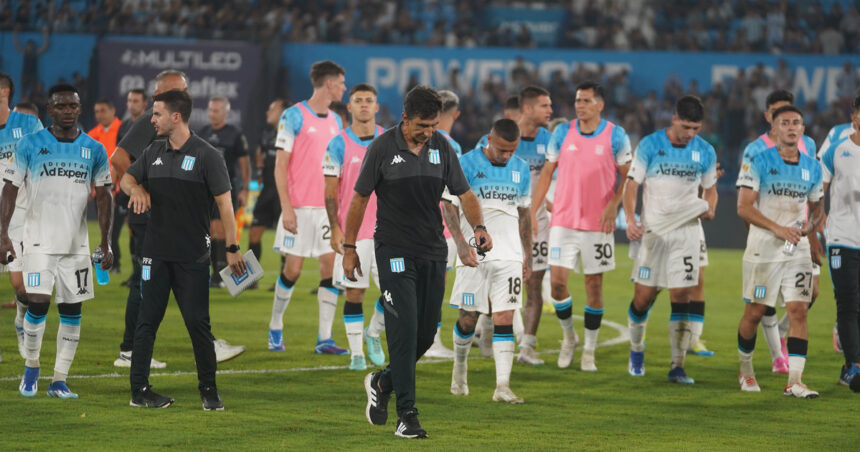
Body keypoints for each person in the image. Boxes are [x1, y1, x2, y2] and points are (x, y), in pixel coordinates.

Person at [353, 86, 491, 438]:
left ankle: (383, 382)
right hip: (394, 251)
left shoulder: (442, 146)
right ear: (405, 118)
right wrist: (348, 247)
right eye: (422, 126)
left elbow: (464, 193)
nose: (428, 132)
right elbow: (359, 198)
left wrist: (478, 227)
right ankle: (407, 416)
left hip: (432, 250)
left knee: (427, 334)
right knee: (404, 329)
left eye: (433, 125)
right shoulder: (381, 148)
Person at [121, 89, 246, 410]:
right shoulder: (152, 152)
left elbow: (226, 206)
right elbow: (124, 180)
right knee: (147, 322)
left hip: (193, 256)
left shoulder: (207, 156)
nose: (152, 120)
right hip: (155, 254)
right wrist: (136, 188)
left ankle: (209, 390)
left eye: (158, 114)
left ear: (176, 117)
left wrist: (232, 248)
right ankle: (139, 391)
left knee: (197, 323)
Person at [0, 83, 113, 399]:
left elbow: (104, 197)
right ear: (50, 110)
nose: (67, 111)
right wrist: (3, 234)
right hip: (37, 244)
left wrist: (106, 242)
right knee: (38, 303)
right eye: (61, 106)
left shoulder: (94, 149)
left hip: (75, 247)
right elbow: (9, 189)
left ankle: (60, 379)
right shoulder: (31, 144)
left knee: (72, 311)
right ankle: (32, 366)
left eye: (73, 106)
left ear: (80, 109)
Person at [533, 81, 632, 371]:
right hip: (564, 219)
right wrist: (533, 210)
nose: (580, 105)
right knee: (558, 284)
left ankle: (589, 350)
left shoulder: (616, 136)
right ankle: (569, 338)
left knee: (594, 285)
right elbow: (546, 172)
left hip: (597, 224)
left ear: (600, 105)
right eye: (578, 100)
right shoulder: (563, 132)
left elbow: (629, 175)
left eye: (587, 101)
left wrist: (616, 203)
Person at [623, 95, 717, 384]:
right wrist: (630, 218)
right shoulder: (650, 145)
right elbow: (631, 185)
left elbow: (710, 188)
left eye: (696, 129)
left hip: (686, 233)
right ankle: (636, 349)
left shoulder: (705, 151)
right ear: (674, 118)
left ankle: (678, 366)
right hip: (654, 233)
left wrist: (711, 206)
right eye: (686, 127)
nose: (691, 134)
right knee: (643, 299)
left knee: (681, 296)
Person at [735, 105, 824, 398]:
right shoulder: (757, 161)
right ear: (774, 129)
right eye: (784, 122)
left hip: (794, 249)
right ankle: (746, 371)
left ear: (802, 129)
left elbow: (817, 206)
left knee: (799, 310)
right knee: (755, 311)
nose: (790, 127)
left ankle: (795, 381)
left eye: (796, 122)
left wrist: (809, 229)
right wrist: (777, 228)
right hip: (764, 250)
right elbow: (744, 207)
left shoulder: (812, 166)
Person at [445, 118, 530, 403]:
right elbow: (448, 205)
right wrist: (459, 244)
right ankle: (460, 367)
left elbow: (524, 213)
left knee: (504, 316)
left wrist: (526, 253)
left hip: (509, 255)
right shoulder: (465, 163)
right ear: (489, 140)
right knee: (468, 320)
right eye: (502, 150)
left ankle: (502, 386)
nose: (507, 156)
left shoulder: (521, 169)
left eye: (512, 150)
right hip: (474, 254)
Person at [269, 60, 347, 354]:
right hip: (299, 209)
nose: (344, 87)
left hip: (326, 211)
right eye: (341, 82)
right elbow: (280, 166)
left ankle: (324, 338)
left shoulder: (336, 122)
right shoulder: (293, 116)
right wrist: (286, 208)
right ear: (329, 83)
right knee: (294, 270)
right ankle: (275, 326)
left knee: (330, 269)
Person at [323, 83, 387, 370]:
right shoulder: (338, 143)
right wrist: (336, 229)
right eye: (358, 100)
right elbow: (330, 192)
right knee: (354, 293)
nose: (363, 105)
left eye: (368, 100)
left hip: (388, 231)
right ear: (349, 107)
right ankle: (356, 354)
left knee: (396, 292)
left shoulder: (389, 140)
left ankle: (373, 332)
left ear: (376, 106)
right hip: (354, 233)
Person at [0, 71, 43, 363]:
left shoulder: (27, 124)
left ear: (4, 91)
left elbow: (46, 157)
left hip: (18, 217)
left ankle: (20, 318)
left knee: (22, 286)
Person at [819, 95, 860, 391]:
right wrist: (817, 221)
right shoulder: (836, 150)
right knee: (848, 303)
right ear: (855, 117)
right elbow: (817, 191)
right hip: (842, 239)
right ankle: (852, 367)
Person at [424, 89, 461, 360]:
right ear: (455, 114)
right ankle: (432, 341)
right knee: (436, 286)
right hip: (442, 229)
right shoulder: (451, 147)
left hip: (417, 223)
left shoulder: (418, 139)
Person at [198, 97, 250, 287]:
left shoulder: (235, 134)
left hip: (227, 189)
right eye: (210, 110)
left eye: (217, 110)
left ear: (226, 112)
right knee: (211, 231)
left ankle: (222, 275)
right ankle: (215, 273)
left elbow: (245, 164)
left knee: (222, 230)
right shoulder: (202, 133)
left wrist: (245, 189)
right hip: (205, 190)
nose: (212, 114)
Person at [248, 99, 286, 275]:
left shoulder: (294, 136)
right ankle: (250, 279)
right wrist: (260, 170)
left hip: (284, 193)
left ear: (283, 112)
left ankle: (285, 280)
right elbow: (260, 156)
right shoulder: (267, 135)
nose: (267, 112)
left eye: (272, 109)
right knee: (254, 233)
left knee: (285, 240)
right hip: (267, 190)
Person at [115, 89, 148, 278]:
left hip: (144, 183)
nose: (131, 104)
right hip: (128, 184)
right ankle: (136, 273)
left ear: (144, 104)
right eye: (129, 100)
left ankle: (142, 273)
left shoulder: (151, 125)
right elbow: (118, 156)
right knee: (132, 229)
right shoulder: (124, 126)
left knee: (143, 229)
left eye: (136, 100)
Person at [88, 99, 123, 273]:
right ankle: (112, 262)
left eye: (103, 110)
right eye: (96, 111)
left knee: (121, 229)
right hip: (100, 189)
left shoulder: (123, 129)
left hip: (122, 187)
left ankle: (116, 261)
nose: (99, 115)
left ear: (112, 110)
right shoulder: (92, 134)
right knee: (105, 227)